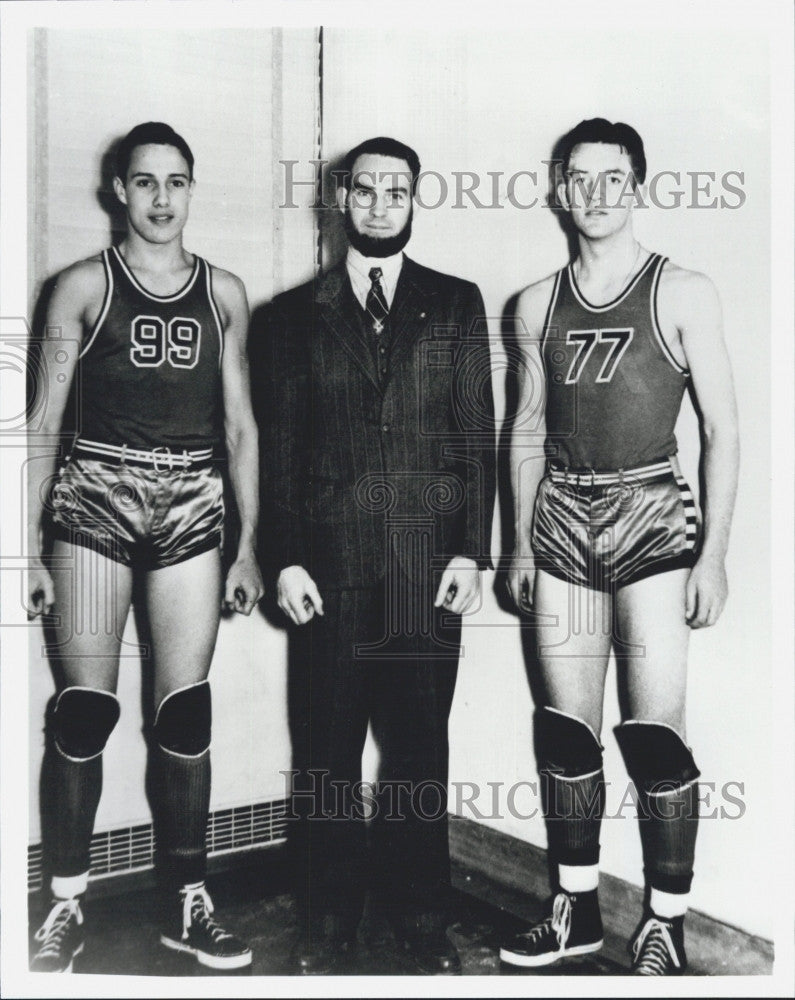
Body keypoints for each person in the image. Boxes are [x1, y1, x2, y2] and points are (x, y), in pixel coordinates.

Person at [501, 118, 739, 976]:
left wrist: (711, 555)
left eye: (612, 178)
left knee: (653, 736)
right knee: (566, 731)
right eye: (578, 178)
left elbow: (720, 428)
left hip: (650, 516)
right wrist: (519, 546)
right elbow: (524, 431)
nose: (594, 194)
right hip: (561, 517)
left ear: (636, 186)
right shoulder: (533, 304)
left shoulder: (682, 290)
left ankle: (665, 924)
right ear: (558, 189)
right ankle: (574, 910)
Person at [254, 136, 496, 975]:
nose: (381, 204)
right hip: (328, 569)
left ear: (414, 200)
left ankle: (421, 916)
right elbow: (275, 452)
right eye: (366, 190)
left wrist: (471, 552)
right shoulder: (286, 318)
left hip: (427, 571)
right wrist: (282, 558)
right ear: (340, 199)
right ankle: (327, 923)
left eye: (398, 190)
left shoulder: (458, 304)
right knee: (326, 751)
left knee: (418, 750)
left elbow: (475, 438)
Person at [27, 122, 263, 973]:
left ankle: (187, 902)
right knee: (86, 710)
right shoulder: (81, 288)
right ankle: (64, 905)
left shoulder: (225, 293)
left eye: (177, 182)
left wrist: (247, 550)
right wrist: (24, 552)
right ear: (117, 192)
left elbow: (240, 429)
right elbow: (43, 424)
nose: (161, 199)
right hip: (93, 500)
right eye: (145, 182)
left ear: (193, 190)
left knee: (185, 711)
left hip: (191, 503)